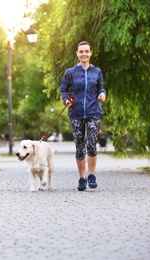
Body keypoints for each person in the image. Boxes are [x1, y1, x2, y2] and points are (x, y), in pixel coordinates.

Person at [60, 41, 106, 191]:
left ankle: (91, 175)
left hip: (94, 111)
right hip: (76, 113)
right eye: (81, 52)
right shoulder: (70, 72)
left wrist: (102, 94)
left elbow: (101, 87)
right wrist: (65, 100)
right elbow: (62, 89)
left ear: (91, 53)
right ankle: (82, 178)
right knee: (80, 147)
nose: (84, 54)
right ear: (77, 53)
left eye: (87, 51)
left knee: (91, 144)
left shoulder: (97, 71)